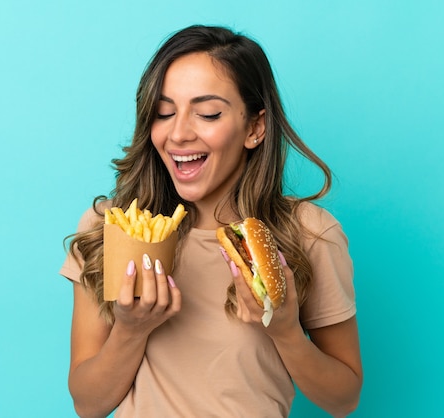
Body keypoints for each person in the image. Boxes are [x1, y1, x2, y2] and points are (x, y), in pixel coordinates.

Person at [60, 24, 362, 418]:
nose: (179, 133)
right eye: (164, 112)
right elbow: (87, 404)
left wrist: (286, 331)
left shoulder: (307, 233)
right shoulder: (110, 227)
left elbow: (344, 399)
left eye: (207, 113)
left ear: (255, 127)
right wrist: (131, 330)